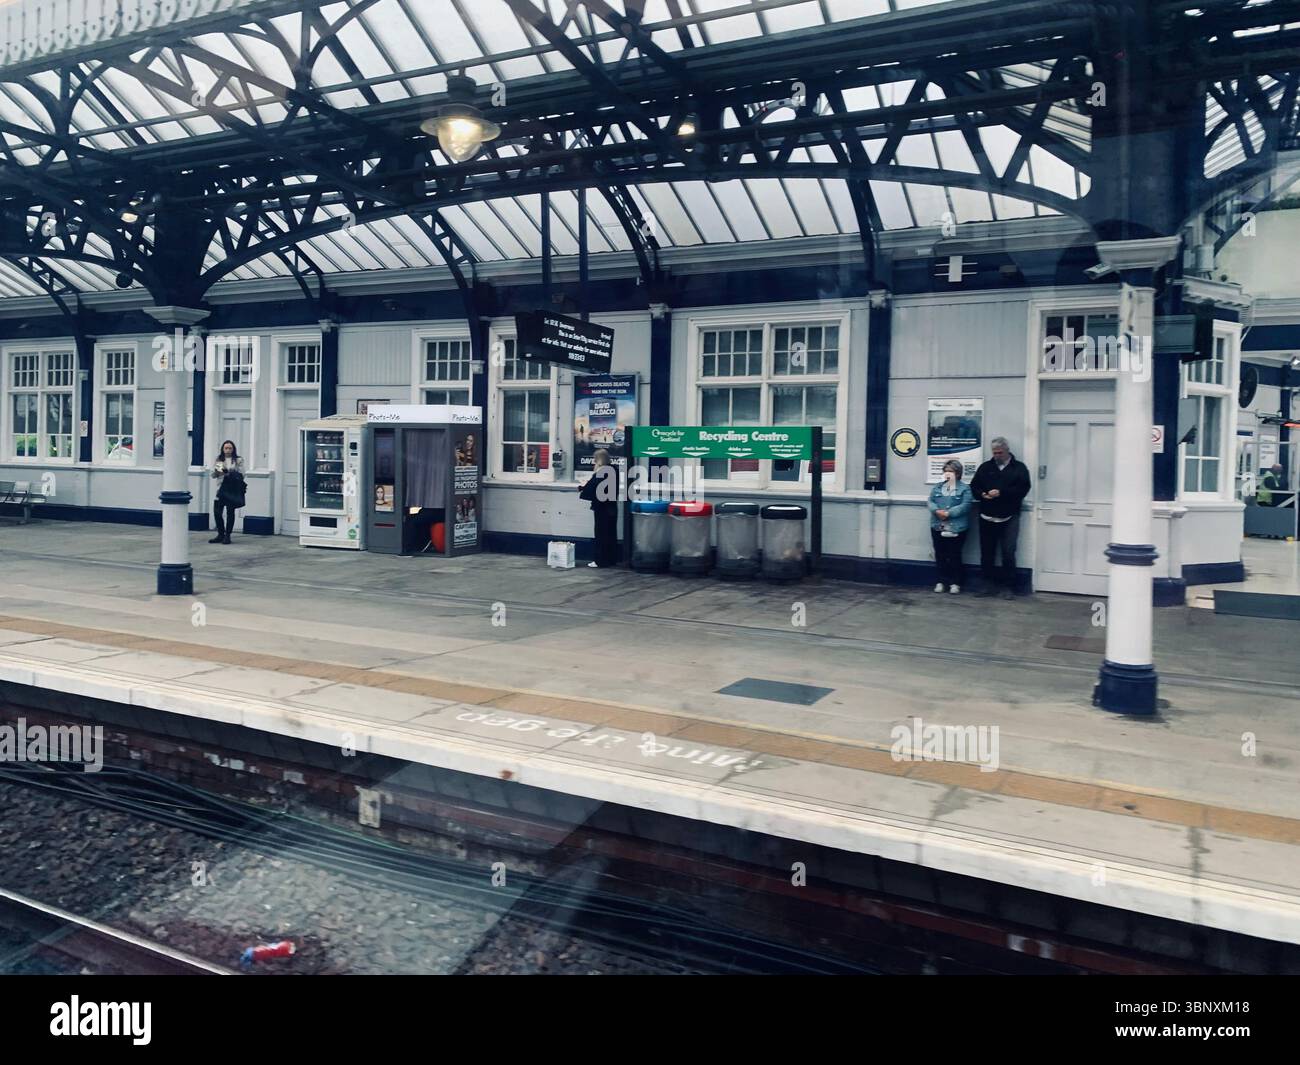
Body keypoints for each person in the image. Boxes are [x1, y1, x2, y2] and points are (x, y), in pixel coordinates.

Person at [970, 436, 1031, 597]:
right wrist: (983, 494)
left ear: (1007, 450)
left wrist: (1001, 493)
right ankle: (987, 585)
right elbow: (974, 486)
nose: (996, 456)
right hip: (987, 516)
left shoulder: (1019, 468)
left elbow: (1024, 489)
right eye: (994, 452)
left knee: (1008, 552)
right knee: (987, 552)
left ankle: (1008, 587)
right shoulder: (985, 467)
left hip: (1009, 516)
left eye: (999, 452)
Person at [927, 459, 974, 594]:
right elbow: (930, 501)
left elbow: (966, 505)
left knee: (954, 554)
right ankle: (941, 581)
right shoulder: (937, 487)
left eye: (951, 471)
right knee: (940, 554)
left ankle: (955, 582)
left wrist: (949, 513)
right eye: (946, 471)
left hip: (956, 527)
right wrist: (936, 511)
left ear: (958, 473)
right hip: (938, 525)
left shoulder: (964, 488)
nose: (948, 474)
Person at [579, 448, 620, 569]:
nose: (593, 462)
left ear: (599, 460)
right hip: (612, 506)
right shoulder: (614, 470)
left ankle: (600, 560)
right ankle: (611, 559)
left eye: (595, 459)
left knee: (601, 534)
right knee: (611, 534)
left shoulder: (601, 472)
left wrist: (583, 487)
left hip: (602, 508)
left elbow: (594, 487)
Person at [209, 440, 246, 545]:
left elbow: (242, 474)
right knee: (217, 512)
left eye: (230, 448)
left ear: (233, 449)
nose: (228, 450)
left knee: (230, 512)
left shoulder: (238, 460)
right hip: (220, 489)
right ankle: (220, 534)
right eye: (226, 448)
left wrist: (229, 472)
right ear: (222, 449)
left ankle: (227, 535)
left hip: (232, 489)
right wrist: (218, 471)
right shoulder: (219, 459)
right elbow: (213, 475)